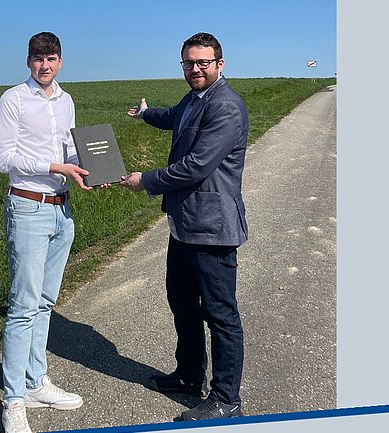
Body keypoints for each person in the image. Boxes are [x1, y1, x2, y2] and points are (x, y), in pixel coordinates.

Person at [122, 32, 249, 421]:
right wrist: (145, 114)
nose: (195, 69)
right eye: (189, 63)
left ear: (219, 65)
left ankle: (226, 398)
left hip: (212, 229)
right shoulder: (195, 98)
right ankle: (190, 375)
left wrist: (147, 180)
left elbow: (197, 166)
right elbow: (172, 116)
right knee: (181, 302)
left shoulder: (225, 106)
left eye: (203, 62)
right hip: (184, 225)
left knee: (220, 314)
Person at [0, 31, 90, 433]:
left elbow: (70, 149)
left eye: (51, 58)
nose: (44, 65)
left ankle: (35, 381)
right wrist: (55, 167)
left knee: (46, 302)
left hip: (62, 209)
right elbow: (4, 159)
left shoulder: (66, 101)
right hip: (28, 206)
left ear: (60, 61)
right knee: (23, 306)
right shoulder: (13, 100)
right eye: (37, 58)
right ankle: (13, 399)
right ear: (28, 61)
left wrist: (87, 168)